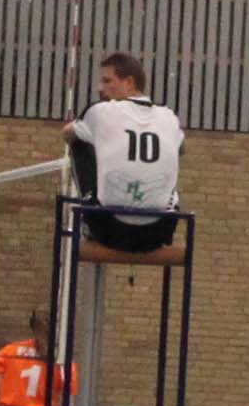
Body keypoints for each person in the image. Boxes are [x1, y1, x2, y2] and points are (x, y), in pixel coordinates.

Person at [65, 50, 186, 258]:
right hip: (160, 231)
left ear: (129, 83)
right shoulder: (168, 116)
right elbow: (182, 149)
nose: (100, 88)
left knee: (78, 140)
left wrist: (101, 143)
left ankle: (87, 207)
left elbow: (67, 133)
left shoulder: (100, 111)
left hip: (110, 230)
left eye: (107, 81)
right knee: (171, 151)